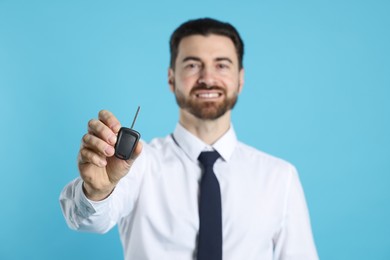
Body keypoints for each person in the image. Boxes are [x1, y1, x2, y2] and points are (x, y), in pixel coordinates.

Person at [60, 18, 318, 260]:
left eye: (222, 65)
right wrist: (97, 191)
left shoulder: (280, 177)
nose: (207, 78)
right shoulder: (136, 166)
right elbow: (86, 220)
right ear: (171, 78)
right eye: (193, 65)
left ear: (240, 79)